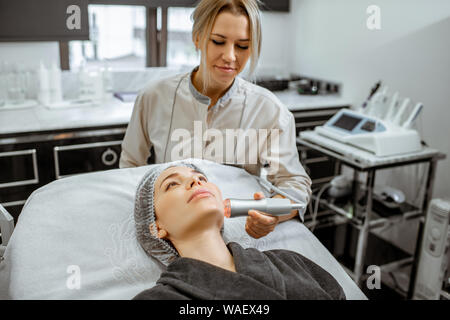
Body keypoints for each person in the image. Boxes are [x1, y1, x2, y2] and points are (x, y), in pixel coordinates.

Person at [120, 0, 312, 239]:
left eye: (242, 46)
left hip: (237, 232)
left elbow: (295, 186)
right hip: (172, 230)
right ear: (197, 38)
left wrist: (271, 213)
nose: (230, 56)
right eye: (218, 42)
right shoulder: (154, 97)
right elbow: (129, 167)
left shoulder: (269, 110)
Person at [133, 161, 345, 300]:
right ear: (156, 227)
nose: (195, 180)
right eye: (171, 185)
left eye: (202, 178)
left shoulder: (291, 262)